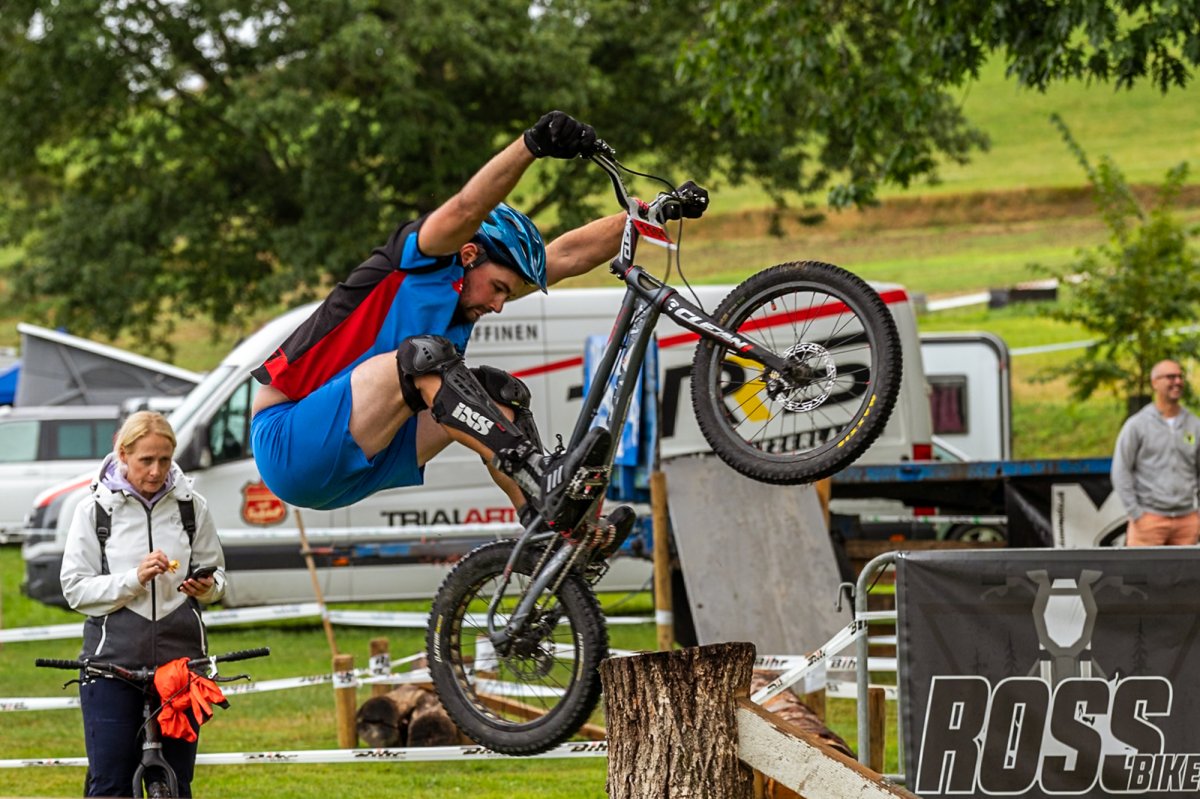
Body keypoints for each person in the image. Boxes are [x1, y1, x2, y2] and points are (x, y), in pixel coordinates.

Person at [250, 110, 707, 548]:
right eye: (499, 289)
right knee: (424, 358)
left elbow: (565, 257)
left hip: (363, 455)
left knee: (494, 394)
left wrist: (654, 212)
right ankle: (540, 474)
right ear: (469, 255)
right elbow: (469, 205)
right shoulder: (420, 258)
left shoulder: (470, 296)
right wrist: (532, 145)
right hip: (291, 438)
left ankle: (554, 524)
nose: (499, 305)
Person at [60, 411, 226, 798]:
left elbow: (219, 578)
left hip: (181, 667)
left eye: (164, 460)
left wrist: (205, 587)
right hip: (111, 665)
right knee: (111, 784)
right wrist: (134, 579)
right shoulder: (94, 511)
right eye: (145, 460)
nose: (156, 471)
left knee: (178, 783)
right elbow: (75, 589)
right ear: (122, 454)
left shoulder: (192, 506)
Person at [1111, 359, 1200, 546]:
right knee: (1141, 574)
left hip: (1187, 521)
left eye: (1180, 376)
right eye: (1170, 377)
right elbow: (1120, 470)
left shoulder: (1194, 425)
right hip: (1149, 520)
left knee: (1187, 576)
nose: (1177, 381)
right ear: (1154, 383)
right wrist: (1136, 513)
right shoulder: (1137, 425)